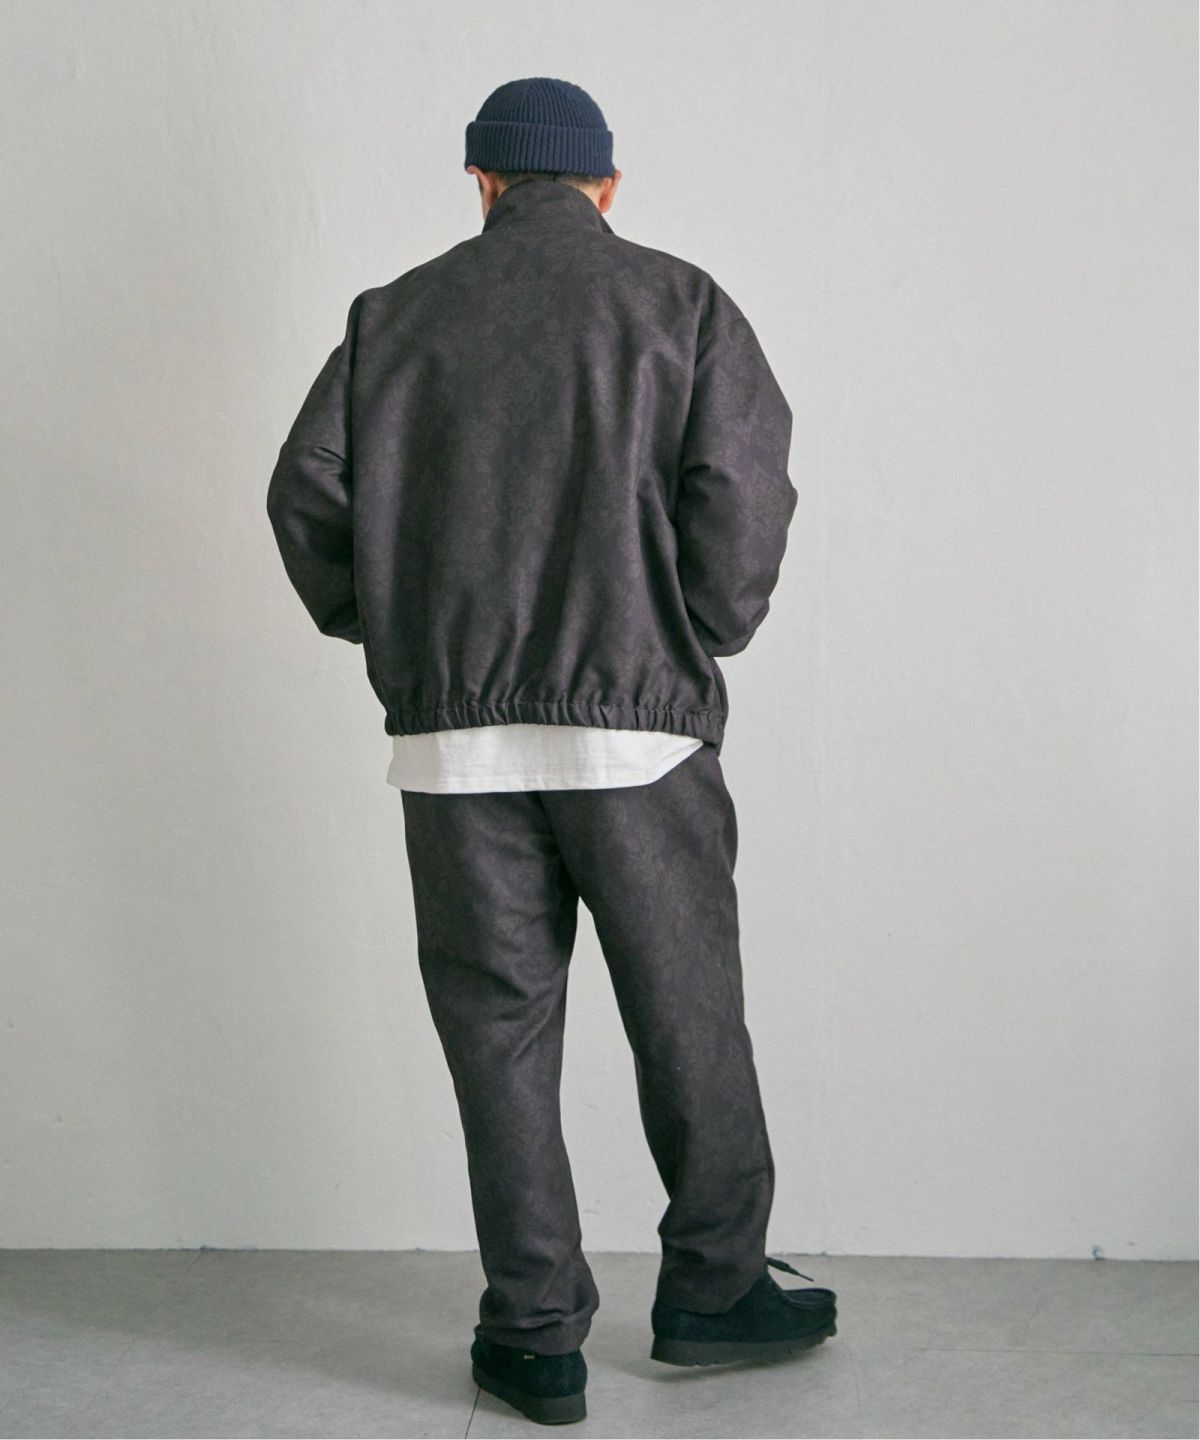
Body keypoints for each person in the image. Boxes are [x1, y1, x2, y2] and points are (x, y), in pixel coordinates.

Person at [266, 75, 837, 1428]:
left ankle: (532, 1336)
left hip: (455, 752)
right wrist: (696, 627)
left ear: (481, 184)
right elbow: (742, 489)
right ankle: (714, 1288)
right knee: (689, 1014)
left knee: (499, 1038)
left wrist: (401, 629)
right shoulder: (680, 303)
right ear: (606, 186)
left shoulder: (392, 317)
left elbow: (307, 492)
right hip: (639, 736)